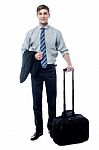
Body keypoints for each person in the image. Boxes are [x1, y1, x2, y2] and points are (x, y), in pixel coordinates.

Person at [21, 4, 74, 141]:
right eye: (40, 13)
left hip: (50, 70)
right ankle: (38, 130)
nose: (43, 16)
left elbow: (63, 49)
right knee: (36, 102)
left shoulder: (56, 33)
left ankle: (52, 127)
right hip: (36, 71)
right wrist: (33, 55)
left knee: (52, 101)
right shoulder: (30, 33)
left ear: (49, 15)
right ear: (37, 15)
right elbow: (23, 50)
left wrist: (69, 64)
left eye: (45, 13)